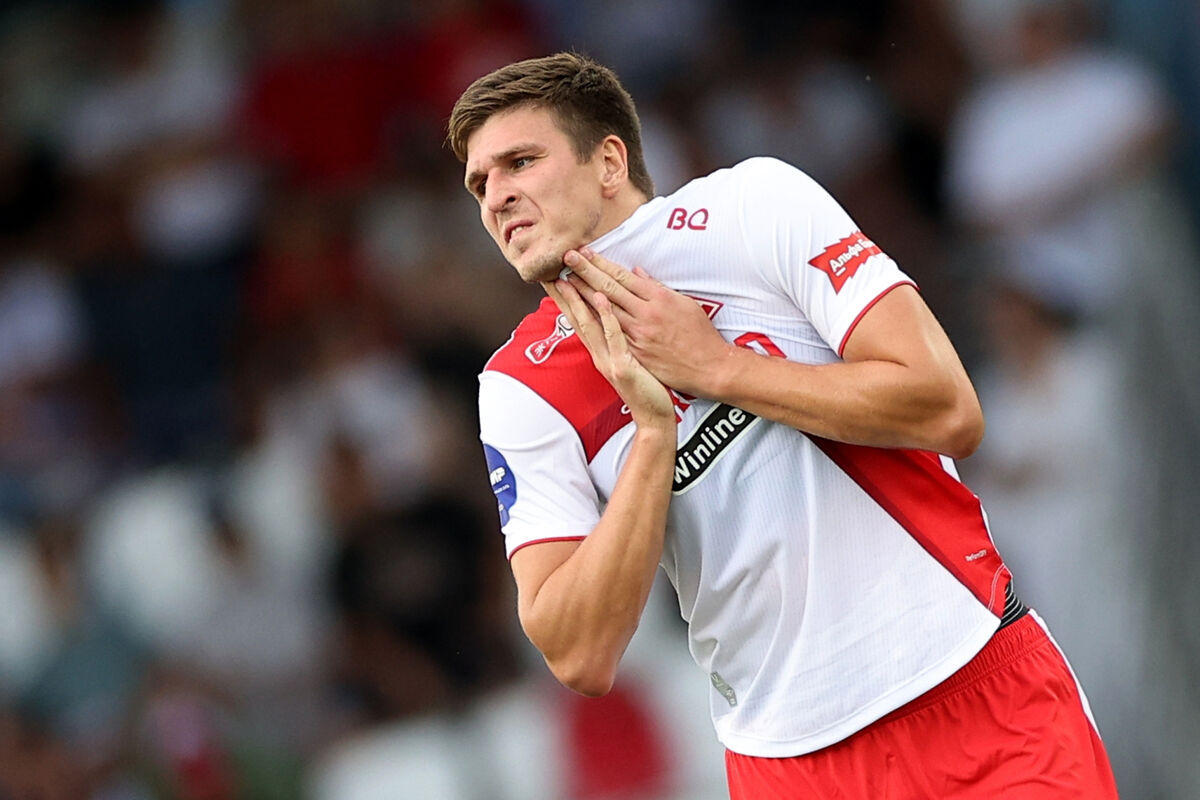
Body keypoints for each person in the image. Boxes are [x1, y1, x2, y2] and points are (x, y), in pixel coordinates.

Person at [447, 52, 1117, 798]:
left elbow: (949, 409)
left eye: (520, 162)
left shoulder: (752, 207)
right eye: (480, 184)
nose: (497, 196)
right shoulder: (518, 389)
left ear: (608, 162)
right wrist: (653, 436)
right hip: (789, 765)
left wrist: (720, 370)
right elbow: (579, 654)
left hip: (972, 687)